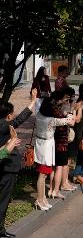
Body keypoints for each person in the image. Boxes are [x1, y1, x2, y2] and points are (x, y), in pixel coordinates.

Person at [0, 89, 37, 238]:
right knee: (3, 200)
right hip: (7, 168)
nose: (13, 116)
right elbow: (19, 119)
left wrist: (9, 142)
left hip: (5, 166)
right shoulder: (4, 125)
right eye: (12, 113)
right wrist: (33, 100)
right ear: (8, 115)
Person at [34, 96, 75, 210]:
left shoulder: (39, 115)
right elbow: (69, 121)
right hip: (46, 147)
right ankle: (39, 200)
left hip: (39, 144)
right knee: (43, 175)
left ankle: (43, 199)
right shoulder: (51, 120)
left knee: (42, 174)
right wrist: (71, 112)